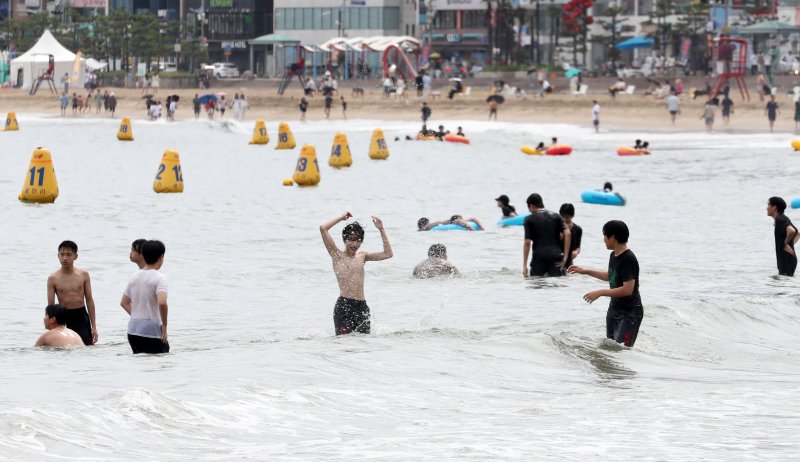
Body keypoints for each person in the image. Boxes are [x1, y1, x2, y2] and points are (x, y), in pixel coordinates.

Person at [568, 220, 644, 348]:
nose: (603, 239)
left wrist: (600, 292)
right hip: (614, 310)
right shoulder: (613, 255)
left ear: (613, 237)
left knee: (622, 350)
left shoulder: (628, 259)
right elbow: (611, 276)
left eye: (605, 235)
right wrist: (585, 271)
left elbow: (628, 289)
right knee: (609, 348)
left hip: (630, 313)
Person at [320, 212, 393, 335]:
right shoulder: (336, 255)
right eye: (351, 240)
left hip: (362, 307)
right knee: (343, 345)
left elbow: (388, 254)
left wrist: (381, 229)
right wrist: (341, 218)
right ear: (344, 239)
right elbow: (323, 228)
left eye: (358, 240)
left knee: (363, 346)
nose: (355, 244)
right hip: (344, 307)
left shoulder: (363, 256)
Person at [120, 240, 170, 354]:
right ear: (161, 257)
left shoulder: (134, 276)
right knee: (160, 364)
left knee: (140, 366)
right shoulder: (160, 277)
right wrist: (165, 327)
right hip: (151, 331)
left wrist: (138, 318)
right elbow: (162, 302)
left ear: (143, 255)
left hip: (132, 330)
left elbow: (124, 302)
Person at [46, 241, 97, 346]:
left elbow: (89, 300)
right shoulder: (53, 278)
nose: (65, 258)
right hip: (63, 316)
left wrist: (94, 327)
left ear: (76, 256)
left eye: (69, 255)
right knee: (64, 348)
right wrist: (51, 327)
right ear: (58, 256)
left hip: (81, 316)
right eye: (62, 254)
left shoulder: (83, 275)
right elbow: (51, 306)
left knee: (86, 347)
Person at [522, 193, 570, 277]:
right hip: (556, 258)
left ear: (531, 205)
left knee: (536, 285)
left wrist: (524, 265)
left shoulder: (528, 219)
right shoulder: (557, 216)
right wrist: (565, 257)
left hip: (539, 258)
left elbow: (527, 242)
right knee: (556, 285)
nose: (529, 211)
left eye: (529, 208)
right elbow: (568, 233)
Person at [767, 197, 798, 276]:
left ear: (774, 207)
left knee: (782, 283)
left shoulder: (779, 220)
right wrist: (790, 244)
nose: (767, 208)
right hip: (789, 258)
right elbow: (798, 234)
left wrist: (785, 244)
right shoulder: (784, 218)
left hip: (786, 260)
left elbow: (791, 231)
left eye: (769, 205)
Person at [559, 203, 582, 270]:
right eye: (562, 217)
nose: (564, 219)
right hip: (556, 259)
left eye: (567, 217)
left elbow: (578, 247)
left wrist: (576, 252)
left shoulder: (578, 229)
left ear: (572, 216)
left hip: (569, 262)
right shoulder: (556, 227)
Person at [417, 216, 484, 231]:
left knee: (458, 221)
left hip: (450, 221)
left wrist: (472, 230)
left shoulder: (427, 227)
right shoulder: (428, 226)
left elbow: (459, 221)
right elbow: (473, 218)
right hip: (449, 221)